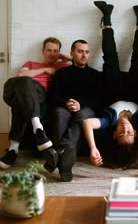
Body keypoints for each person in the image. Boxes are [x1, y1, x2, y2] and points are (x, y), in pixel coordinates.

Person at [82, 0, 138, 170]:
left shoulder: (108, 121)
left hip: (113, 91)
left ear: (115, 135)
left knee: (110, 58)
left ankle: (107, 18)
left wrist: (93, 148)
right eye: (129, 133)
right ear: (136, 133)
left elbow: (87, 123)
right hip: (135, 92)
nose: (125, 128)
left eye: (121, 133)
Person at [0, 37, 71, 170]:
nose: (52, 53)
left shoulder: (62, 66)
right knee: (23, 81)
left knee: (19, 101)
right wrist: (44, 70)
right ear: (43, 51)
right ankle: (38, 128)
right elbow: (21, 74)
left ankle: (13, 149)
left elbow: (81, 61)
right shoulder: (31, 63)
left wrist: (64, 58)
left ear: (59, 52)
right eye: (49, 50)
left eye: (55, 51)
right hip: (21, 89)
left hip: (40, 95)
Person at [43, 39, 102, 182]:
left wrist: (80, 105)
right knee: (59, 113)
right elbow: (52, 97)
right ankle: (65, 166)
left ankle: (58, 153)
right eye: (80, 51)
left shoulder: (95, 75)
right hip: (65, 108)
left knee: (82, 116)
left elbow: (100, 100)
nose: (84, 55)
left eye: (87, 52)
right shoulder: (62, 74)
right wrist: (66, 103)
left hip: (86, 110)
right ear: (72, 53)